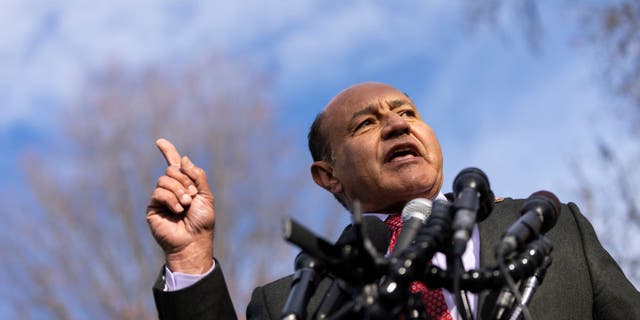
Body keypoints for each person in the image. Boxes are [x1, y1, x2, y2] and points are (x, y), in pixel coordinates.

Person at [147, 82, 640, 319]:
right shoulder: (289, 302)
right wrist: (190, 258)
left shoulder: (552, 229)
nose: (398, 123)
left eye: (407, 111)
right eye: (366, 123)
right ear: (329, 175)